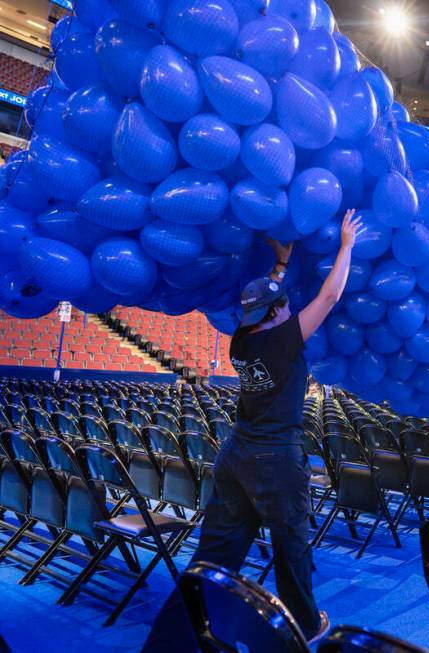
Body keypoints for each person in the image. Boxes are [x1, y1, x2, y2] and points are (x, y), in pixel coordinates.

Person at [141, 210, 364, 652]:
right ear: (275, 315)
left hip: (237, 455)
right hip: (276, 461)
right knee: (291, 545)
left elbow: (266, 299)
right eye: (282, 306)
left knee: (215, 553)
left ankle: (175, 636)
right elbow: (331, 295)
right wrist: (346, 245)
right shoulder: (283, 340)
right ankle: (303, 623)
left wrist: (279, 265)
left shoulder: (242, 340)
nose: (287, 308)